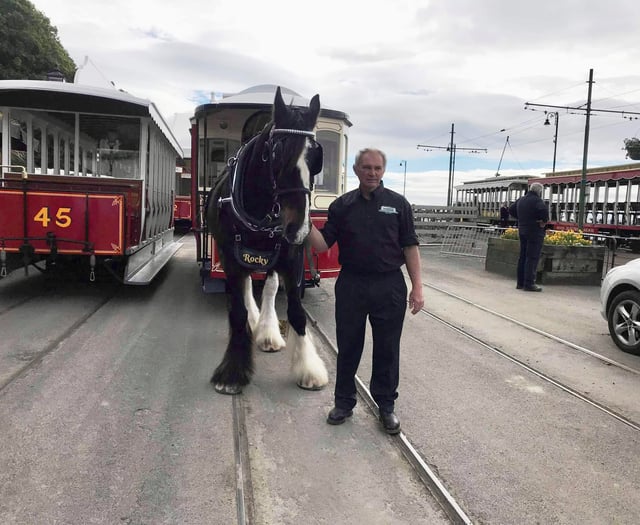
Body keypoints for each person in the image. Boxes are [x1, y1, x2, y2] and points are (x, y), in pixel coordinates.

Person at [308, 148, 424, 435]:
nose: (372, 173)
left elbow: (410, 246)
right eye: (366, 167)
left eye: (377, 168)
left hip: (390, 285)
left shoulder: (399, 205)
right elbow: (321, 245)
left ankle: (386, 406)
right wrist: (303, 223)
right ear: (356, 169)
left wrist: (417, 287)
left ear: (383, 171)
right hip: (352, 284)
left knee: (387, 349)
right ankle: (344, 402)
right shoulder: (342, 206)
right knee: (348, 346)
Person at [508, 183, 549, 292]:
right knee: (532, 257)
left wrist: (521, 218)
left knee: (523, 256)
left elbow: (511, 209)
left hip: (522, 229)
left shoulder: (521, 199)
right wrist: (543, 221)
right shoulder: (537, 201)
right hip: (534, 231)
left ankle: (520, 283)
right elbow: (544, 212)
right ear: (539, 191)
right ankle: (529, 283)